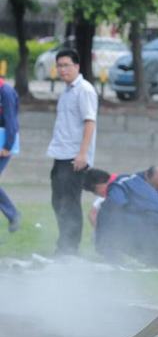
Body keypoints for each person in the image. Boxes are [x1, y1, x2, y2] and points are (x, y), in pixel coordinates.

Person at [46, 49, 98, 255]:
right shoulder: (67, 91)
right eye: (59, 65)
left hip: (75, 156)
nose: (62, 69)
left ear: (77, 66)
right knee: (57, 201)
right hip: (60, 153)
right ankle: (64, 244)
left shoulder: (84, 90)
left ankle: (69, 249)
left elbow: (89, 122)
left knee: (70, 203)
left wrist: (83, 154)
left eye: (66, 65)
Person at [83, 168, 158, 266]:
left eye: (94, 192)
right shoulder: (128, 178)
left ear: (98, 186)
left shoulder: (116, 185)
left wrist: (100, 240)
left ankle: (112, 258)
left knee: (106, 211)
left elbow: (116, 204)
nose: (97, 195)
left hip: (154, 231)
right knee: (123, 236)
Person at [0, 76, 21, 233]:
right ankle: (13, 214)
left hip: (4, 141)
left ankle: (13, 214)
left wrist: (7, 146)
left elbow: (11, 120)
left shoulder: (6, 92)